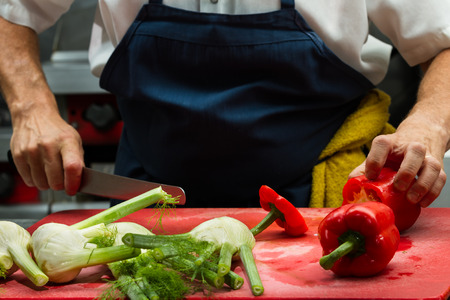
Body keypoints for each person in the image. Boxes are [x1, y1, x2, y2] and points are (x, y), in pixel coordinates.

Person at [0, 0, 449, 208]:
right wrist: (31, 109)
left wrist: (427, 124)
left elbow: (443, 40)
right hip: (150, 202)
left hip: (320, 205)